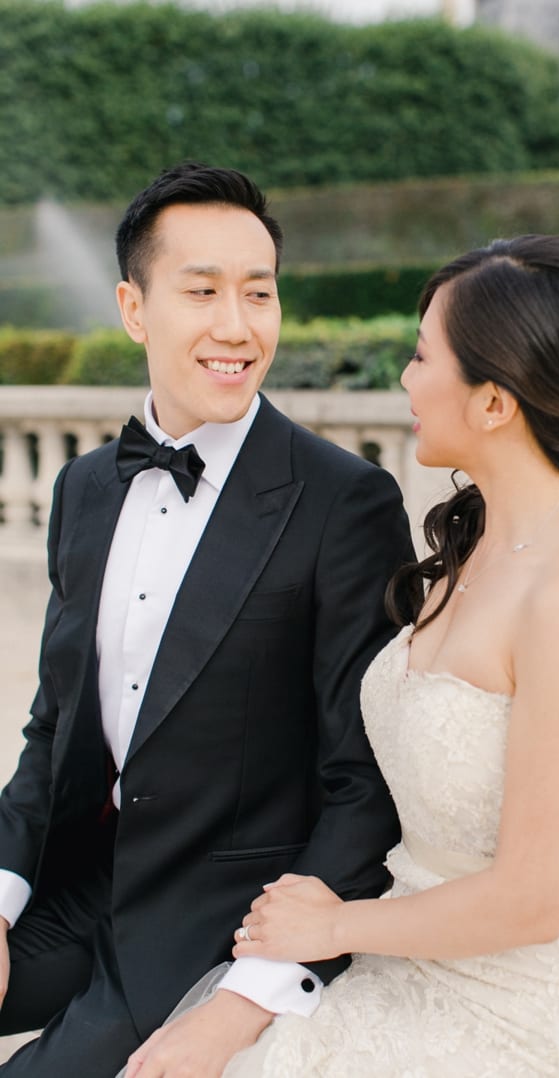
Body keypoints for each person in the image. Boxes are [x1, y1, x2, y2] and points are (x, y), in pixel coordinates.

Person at [155, 235, 559, 1076]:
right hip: (403, 967)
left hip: (519, 1015)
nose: (408, 380)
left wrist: (332, 925)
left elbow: (534, 900)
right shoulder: (485, 533)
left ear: (494, 402)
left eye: (424, 357)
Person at [0, 163, 410, 1076]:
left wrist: (249, 995)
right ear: (134, 308)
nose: (238, 326)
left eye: (258, 293)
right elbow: (50, 726)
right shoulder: (83, 488)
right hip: (72, 895)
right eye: (203, 291)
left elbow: (366, 786)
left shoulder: (346, 503)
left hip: (218, 924)